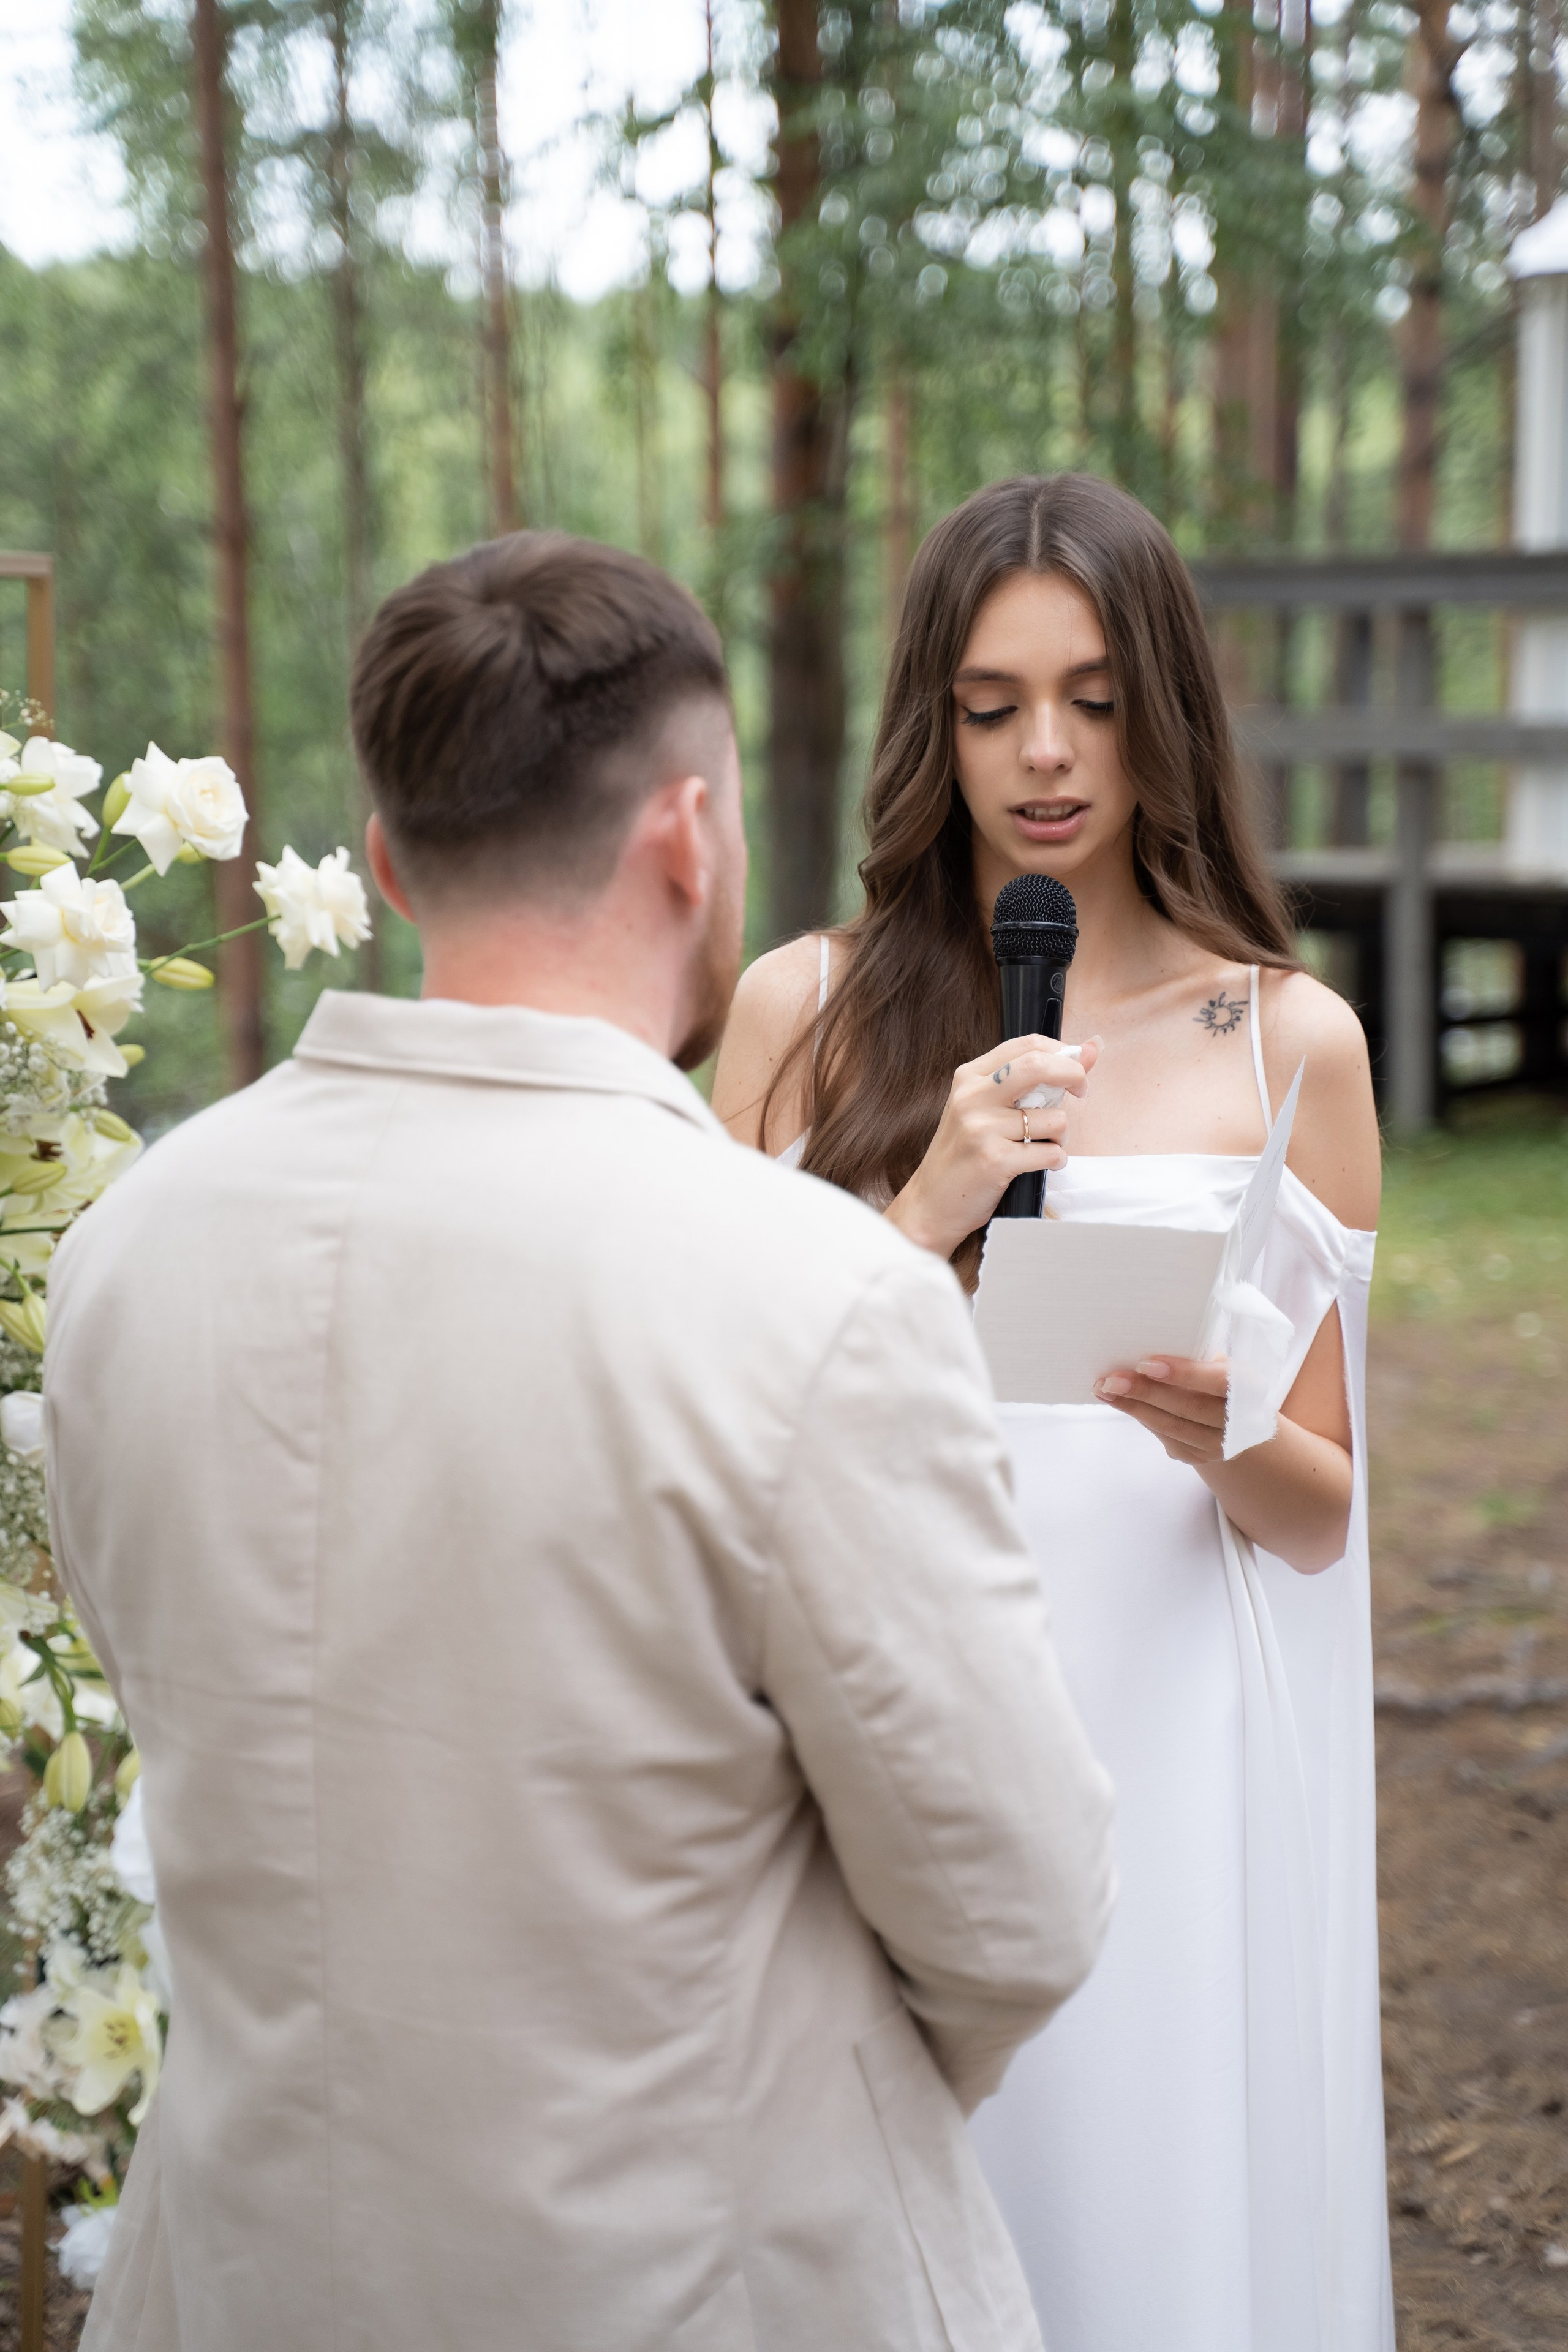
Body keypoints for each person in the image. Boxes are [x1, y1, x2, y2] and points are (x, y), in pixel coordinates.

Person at [45, 530, 1115, 2352]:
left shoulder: (127, 1252)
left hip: (234, 2282)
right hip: (701, 2283)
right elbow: (1012, 1911)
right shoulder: (816, 1295)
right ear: (691, 840)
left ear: (385, 865)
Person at [714, 472, 1394, 2352]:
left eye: (1094, 699)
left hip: (1172, 1729)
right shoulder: (805, 1010)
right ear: (929, 720)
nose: (1045, 753)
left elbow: (1325, 1505)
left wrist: (1216, 1428)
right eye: (993, 702)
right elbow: (703, 1405)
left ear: (1164, 709)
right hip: (890, 1703)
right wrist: (926, 1201)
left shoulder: (1287, 1042)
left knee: (1147, 2203)